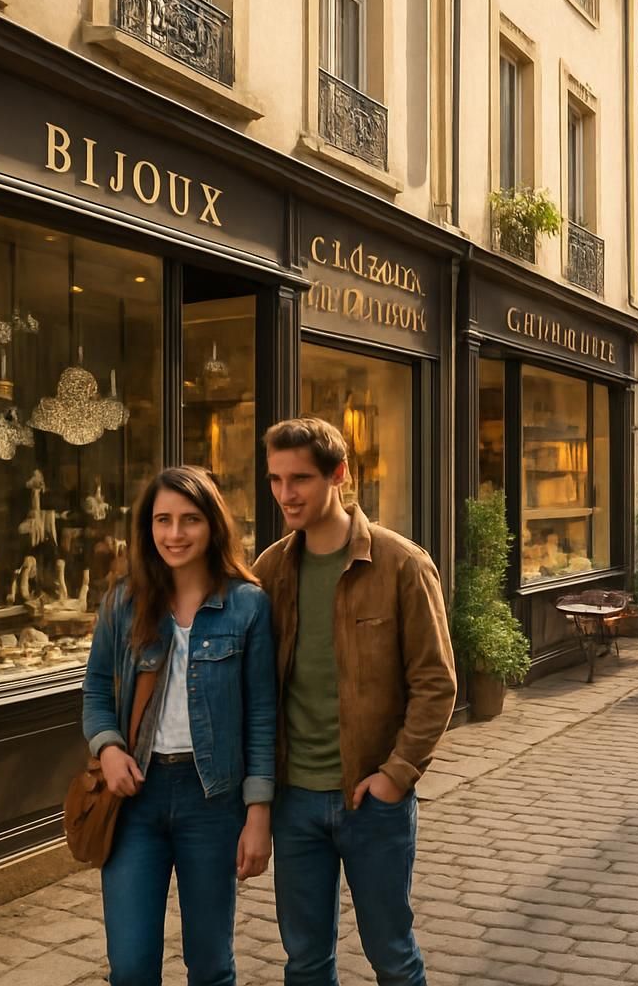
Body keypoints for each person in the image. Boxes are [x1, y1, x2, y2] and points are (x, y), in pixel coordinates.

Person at [253, 417, 457, 986]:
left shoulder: (401, 565)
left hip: (373, 801)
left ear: (339, 475)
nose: (285, 494)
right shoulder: (270, 571)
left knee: (391, 954)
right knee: (306, 961)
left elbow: (436, 683)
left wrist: (396, 775)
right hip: (294, 802)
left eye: (300, 479)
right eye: (275, 479)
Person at [81, 466, 277, 986]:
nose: (174, 534)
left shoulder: (247, 605)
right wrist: (108, 749)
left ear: (212, 525)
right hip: (135, 801)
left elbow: (262, 715)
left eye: (189, 519)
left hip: (212, 802)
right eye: (162, 520)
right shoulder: (123, 601)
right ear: (147, 528)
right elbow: (97, 691)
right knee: (130, 966)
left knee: (211, 966)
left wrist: (258, 813)